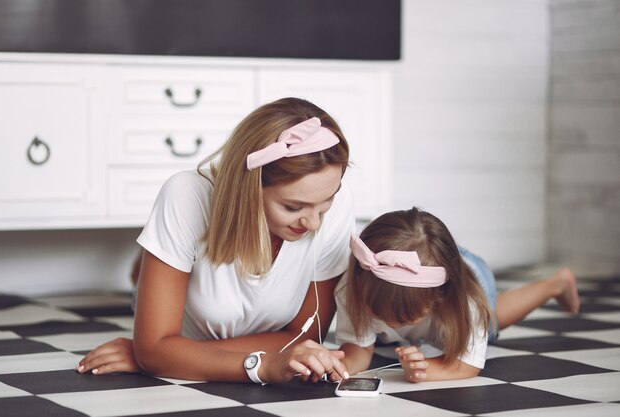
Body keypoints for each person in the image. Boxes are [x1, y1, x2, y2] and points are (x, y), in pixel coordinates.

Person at [77, 97, 355, 384]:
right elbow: (156, 350)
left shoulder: (336, 202)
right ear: (249, 188)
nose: (314, 223)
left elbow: (302, 337)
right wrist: (263, 365)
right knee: (146, 292)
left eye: (325, 203)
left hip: (197, 334)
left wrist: (163, 356)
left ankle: (164, 252)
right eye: (293, 207)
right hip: (191, 302)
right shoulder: (185, 194)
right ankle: (151, 263)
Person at [334, 207, 580, 383]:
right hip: (430, 257)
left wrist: (424, 369)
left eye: (407, 319)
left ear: (439, 296)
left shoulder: (465, 301)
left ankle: (555, 284)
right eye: (378, 313)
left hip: (470, 271)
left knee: (491, 322)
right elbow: (360, 347)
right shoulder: (353, 285)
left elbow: (466, 365)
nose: (391, 325)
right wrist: (341, 366)